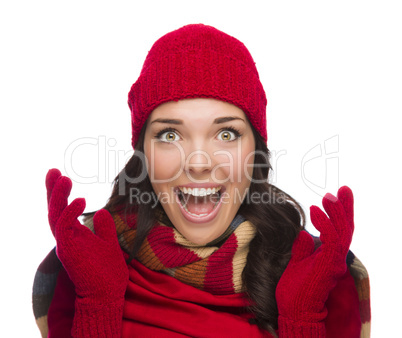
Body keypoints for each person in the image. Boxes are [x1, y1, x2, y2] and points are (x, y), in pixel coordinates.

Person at [32, 24, 370, 337]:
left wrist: (302, 323)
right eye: (169, 134)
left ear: (257, 151)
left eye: (226, 133)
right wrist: (98, 309)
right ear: (143, 154)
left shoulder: (319, 273)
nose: (198, 162)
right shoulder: (83, 260)